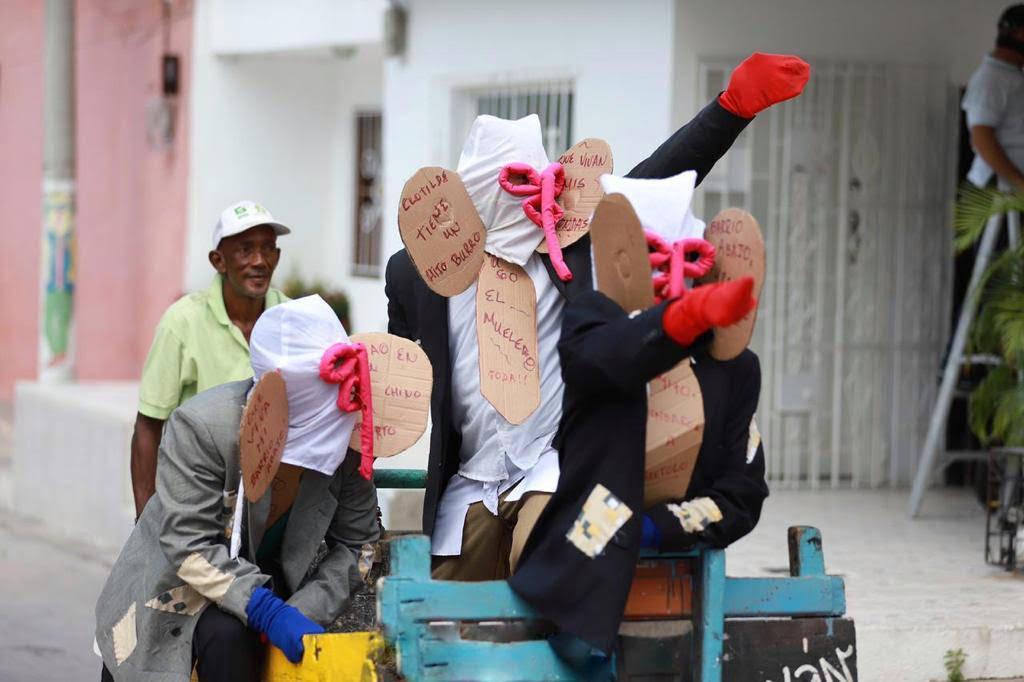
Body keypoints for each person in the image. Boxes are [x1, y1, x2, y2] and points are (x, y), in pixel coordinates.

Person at [385, 53, 807, 581]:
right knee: (439, 614)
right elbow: (400, 365)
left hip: (553, 467)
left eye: (536, 189)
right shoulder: (417, 271)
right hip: (468, 480)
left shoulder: (575, 247)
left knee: (543, 575)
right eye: (512, 191)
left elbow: (658, 176)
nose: (529, 206)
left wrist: (730, 109)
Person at [509, 171, 767, 658]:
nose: (668, 275)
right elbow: (612, 356)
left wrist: (661, 527)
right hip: (579, 576)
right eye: (652, 258)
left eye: (684, 260)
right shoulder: (589, 323)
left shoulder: (735, 368)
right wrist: (679, 321)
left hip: (685, 580)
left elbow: (742, 494)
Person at [95, 295, 380, 681]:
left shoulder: (347, 435)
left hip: (273, 590)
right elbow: (187, 544)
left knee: (239, 637)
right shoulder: (203, 427)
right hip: (171, 590)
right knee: (226, 636)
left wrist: (301, 611)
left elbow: (359, 543)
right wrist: (262, 608)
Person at [130, 200, 290, 517]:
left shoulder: (293, 319)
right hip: (195, 496)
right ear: (219, 261)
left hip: (272, 501)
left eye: (268, 249)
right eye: (245, 250)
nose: (260, 261)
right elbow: (148, 427)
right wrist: (146, 522)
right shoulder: (182, 322)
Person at [963, 4, 1024, 191]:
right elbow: (981, 138)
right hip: (995, 192)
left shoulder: (1011, 75)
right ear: (1021, 34)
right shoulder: (991, 79)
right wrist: (1020, 183)